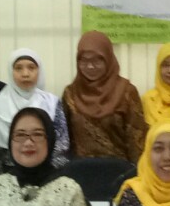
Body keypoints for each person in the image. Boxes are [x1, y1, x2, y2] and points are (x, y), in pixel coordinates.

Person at [0, 48, 71, 176]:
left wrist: (49, 177)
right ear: (11, 72)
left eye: (31, 68)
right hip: (8, 177)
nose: (25, 74)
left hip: (47, 175)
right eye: (18, 68)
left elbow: (61, 146)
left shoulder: (52, 103)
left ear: (39, 71)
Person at [63, 31, 148, 162]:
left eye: (97, 60)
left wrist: (137, 175)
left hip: (120, 173)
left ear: (108, 59)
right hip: (80, 172)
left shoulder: (126, 92)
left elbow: (137, 142)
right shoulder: (70, 94)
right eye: (84, 60)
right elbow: (64, 141)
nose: (90, 66)